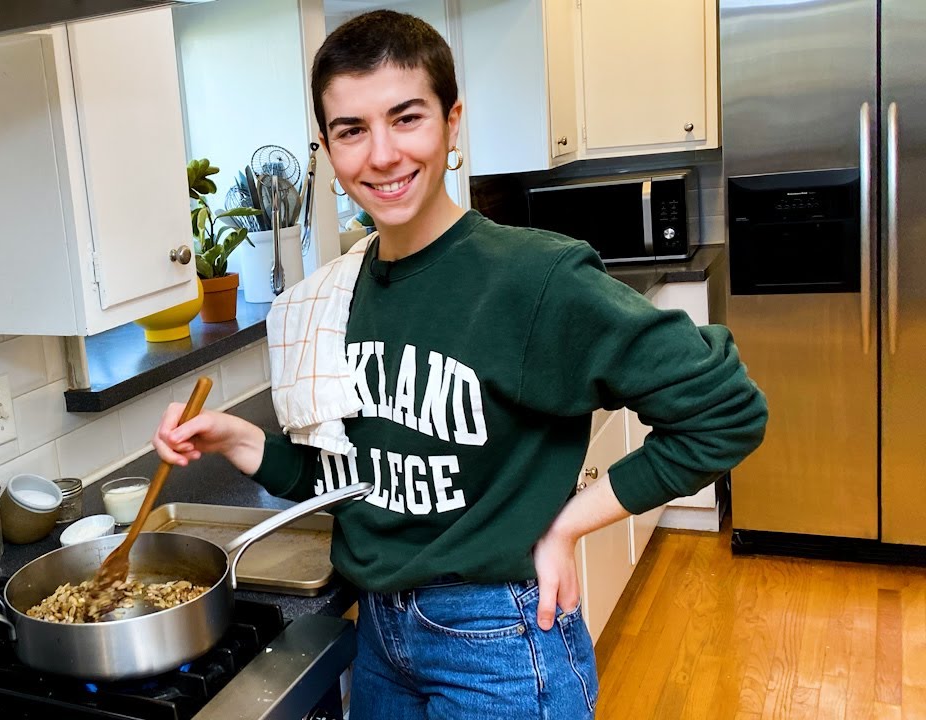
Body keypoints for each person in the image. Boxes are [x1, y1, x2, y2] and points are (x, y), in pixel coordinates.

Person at [154, 10, 767, 719]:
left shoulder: (534, 279)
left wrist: (567, 524)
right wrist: (236, 438)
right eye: (352, 130)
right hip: (382, 638)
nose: (381, 154)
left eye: (406, 118)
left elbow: (725, 412)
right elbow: (349, 482)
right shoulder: (336, 296)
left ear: (452, 123)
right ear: (326, 148)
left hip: (499, 641)